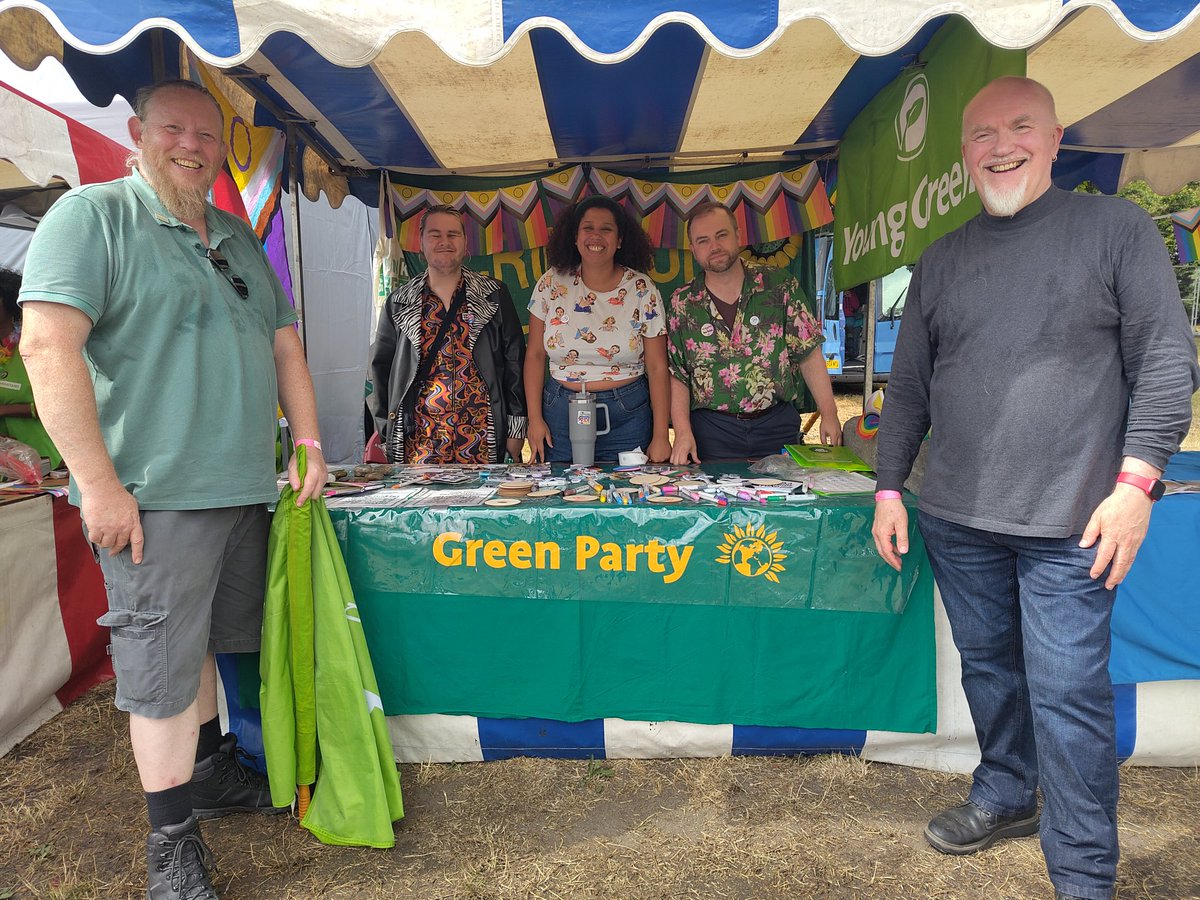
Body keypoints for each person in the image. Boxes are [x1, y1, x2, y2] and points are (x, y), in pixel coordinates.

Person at [872, 76, 1199, 900]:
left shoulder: (1115, 228)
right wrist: (886, 490)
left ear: (1056, 141)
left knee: (1068, 698)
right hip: (955, 517)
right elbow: (906, 387)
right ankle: (1008, 792)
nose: (1002, 144)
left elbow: (1166, 361)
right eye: (983, 133)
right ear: (963, 157)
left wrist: (1137, 485)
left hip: (1073, 523)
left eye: (1022, 126)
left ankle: (1084, 875)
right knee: (988, 670)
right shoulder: (942, 256)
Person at [18, 79, 327, 900]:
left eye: (206, 133)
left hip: (243, 489)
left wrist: (308, 441)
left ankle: (211, 778)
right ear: (137, 132)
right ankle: (172, 848)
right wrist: (97, 485)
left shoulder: (232, 233)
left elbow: (287, 348)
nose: (191, 144)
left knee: (208, 650)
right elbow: (47, 348)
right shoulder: (91, 217)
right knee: (158, 669)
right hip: (153, 496)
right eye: (173, 128)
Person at [667, 201, 841, 463]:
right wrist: (682, 432)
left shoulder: (780, 285)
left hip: (775, 424)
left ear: (738, 236)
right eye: (703, 241)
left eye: (721, 235)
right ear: (693, 249)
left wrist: (829, 413)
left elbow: (808, 352)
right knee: (715, 503)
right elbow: (678, 375)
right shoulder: (682, 303)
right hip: (712, 432)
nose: (714, 247)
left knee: (781, 502)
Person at [369, 205, 526, 464]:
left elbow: (514, 363)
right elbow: (381, 370)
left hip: (481, 436)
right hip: (420, 441)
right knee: (423, 504)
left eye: (453, 234)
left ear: (465, 244)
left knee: (483, 503)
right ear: (421, 243)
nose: (444, 242)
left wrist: (515, 428)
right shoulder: (399, 303)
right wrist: (387, 433)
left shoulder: (493, 295)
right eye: (435, 234)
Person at [525, 195, 671, 463]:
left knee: (629, 497)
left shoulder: (642, 289)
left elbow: (658, 366)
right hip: (560, 411)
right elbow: (534, 354)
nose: (596, 236)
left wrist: (661, 435)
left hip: (627, 414)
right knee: (565, 495)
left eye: (606, 229)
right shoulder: (551, 283)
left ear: (619, 240)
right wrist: (534, 420)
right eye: (588, 228)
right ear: (575, 236)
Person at [0, 266, 61, 467]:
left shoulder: (32, 348)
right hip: (7, 467)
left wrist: (4, 411)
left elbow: (58, 406)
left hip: (44, 459)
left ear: (7, 302)